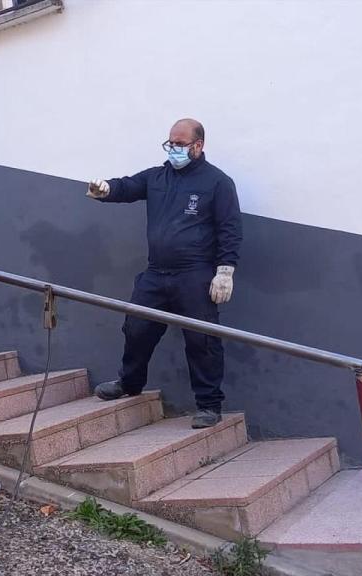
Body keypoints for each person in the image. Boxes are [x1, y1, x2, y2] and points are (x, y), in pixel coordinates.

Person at [87, 118, 242, 429]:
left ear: (198, 146)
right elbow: (128, 186)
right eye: (171, 142)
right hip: (156, 274)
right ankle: (129, 383)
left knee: (203, 340)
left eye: (181, 144)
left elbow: (230, 229)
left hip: (195, 275)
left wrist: (225, 271)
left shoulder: (217, 182)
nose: (174, 148)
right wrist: (105, 189)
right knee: (136, 329)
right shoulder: (158, 177)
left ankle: (209, 405)